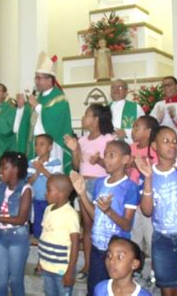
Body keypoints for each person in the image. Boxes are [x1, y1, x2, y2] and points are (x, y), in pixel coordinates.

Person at [135, 126, 177, 296]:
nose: (172, 145)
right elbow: (147, 211)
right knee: (167, 290)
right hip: (162, 240)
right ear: (154, 146)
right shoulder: (147, 172)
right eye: (166, 141)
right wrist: (149, 179)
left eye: (175, 141)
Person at [70, 140, 140, 296]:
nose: (106, 159)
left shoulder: (130, 187)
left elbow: (127, 226)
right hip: (97, 249)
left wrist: (109, 211)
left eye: (111, 155)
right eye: (105, 155)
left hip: (117, 251)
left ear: (125, 159)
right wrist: (82, 194)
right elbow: (96, 217)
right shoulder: (99, 183)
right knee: (95, 290)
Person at [64, 103, 115, 282]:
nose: (84, 118)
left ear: (96, 120)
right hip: (83, 185)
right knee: (87, 226)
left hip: (101, 185)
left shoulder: (108, 139)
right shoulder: (83, 140)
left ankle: (106, 264)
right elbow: (77, 166)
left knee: (100, 226)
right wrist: (74, 149)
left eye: (87, 114)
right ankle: (87, 265)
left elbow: (113, 167)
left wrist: (100, 161)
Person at [15, 52, 73, 173]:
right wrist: (21, 107)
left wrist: (37, 106)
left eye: (39, 78)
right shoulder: (38, 98)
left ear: (50, 80)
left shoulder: (59, 98)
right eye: (36, 78)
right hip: (34, 146)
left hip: (52, 147)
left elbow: (55, 123)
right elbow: (26, 122)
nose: (36, 81)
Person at [0, 152, 32, 296]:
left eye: (4, 167)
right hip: (1, 236)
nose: (0, 171)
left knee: (15, 280)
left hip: (17, 238)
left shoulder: (25, 189)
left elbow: (21, 219)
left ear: (15, 170)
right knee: (0, 279)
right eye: (0, 167)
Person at [38, 175, 80, 296]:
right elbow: (44, 234)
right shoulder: (48, 209)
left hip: (62, 270)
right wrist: (40, 261)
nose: (45, 193)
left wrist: (70, 271)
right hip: (47, 267)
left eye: (48, 189)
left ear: (61, 194)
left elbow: (75, 244)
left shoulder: (70, 214)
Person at [129, 116, 159, 269]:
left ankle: (155, 272)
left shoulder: (156, 149)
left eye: (137, 127)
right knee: (135, 237)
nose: (133, 131)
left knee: (151, 237)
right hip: (133, 201)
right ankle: (136, 269)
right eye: (133, 127)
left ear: (149, 132)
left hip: (148, 202)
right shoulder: (132, 148)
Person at [27, 134, 62, 242]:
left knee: (51, 223)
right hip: (36, 200)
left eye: (42, 144)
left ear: (50, 147)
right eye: (36, 145)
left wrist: (43, 169)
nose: (38, 147)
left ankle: (50, 241)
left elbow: (57, 181)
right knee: (37, 222)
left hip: (51, 201)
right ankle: (38, 240)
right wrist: (37, 172)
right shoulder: (32, 163)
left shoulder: (55, 162)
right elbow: (28, 182)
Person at [109, 79, 145, 144]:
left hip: (128, 145)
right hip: (108, 145)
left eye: (119, 87)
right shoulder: (105, 108)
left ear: (126, 91)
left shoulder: (135, 107)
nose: (115, 89)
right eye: (113, 87)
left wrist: (126, 133)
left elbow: (144, 127)